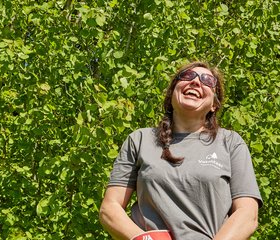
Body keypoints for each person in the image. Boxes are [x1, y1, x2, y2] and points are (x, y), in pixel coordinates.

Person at [99, 61, 263, 240]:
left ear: (214, 105)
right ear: (171, 94)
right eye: (187, 76)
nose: (196, 82)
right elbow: (110, 208)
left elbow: (248, 214)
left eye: (207, 80)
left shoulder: (230, 143)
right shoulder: (140, 140)